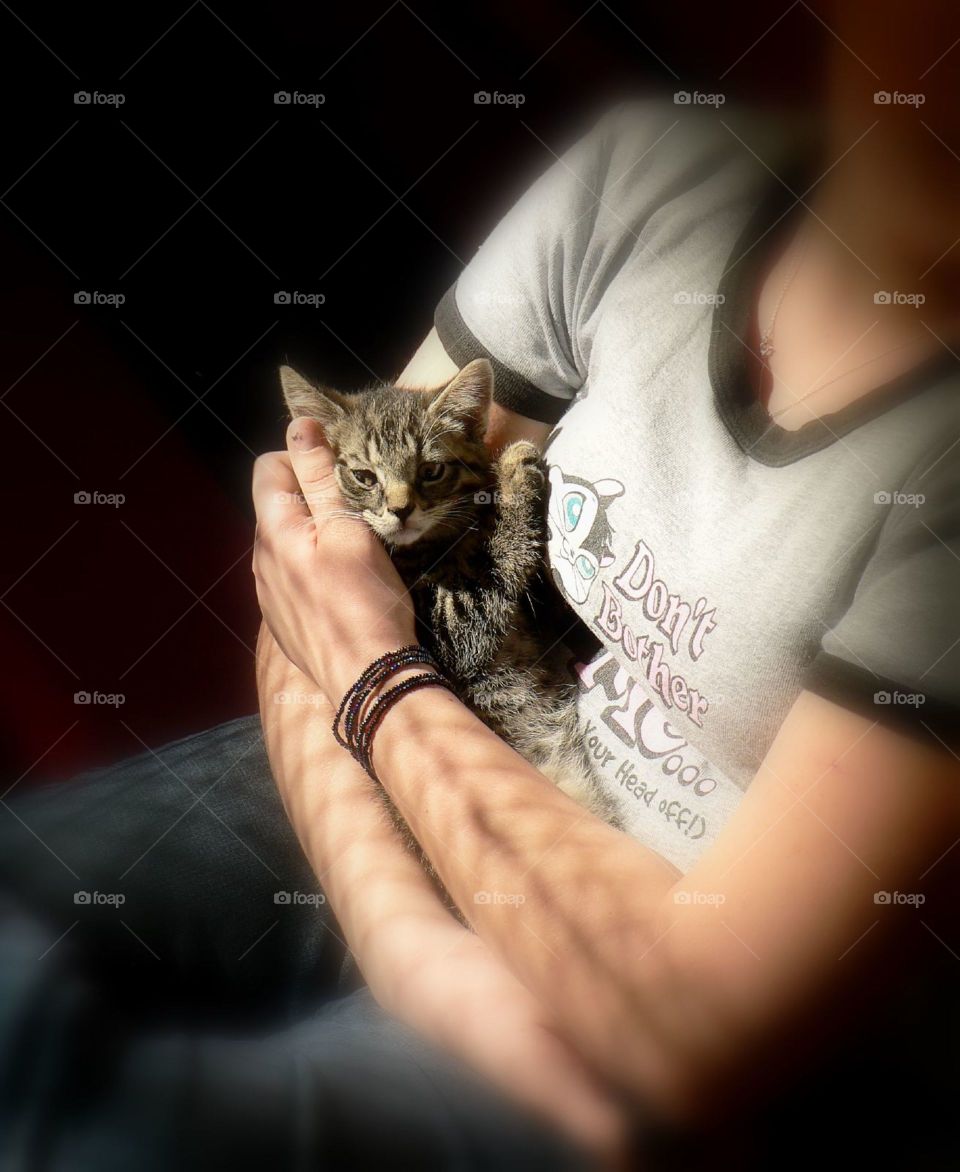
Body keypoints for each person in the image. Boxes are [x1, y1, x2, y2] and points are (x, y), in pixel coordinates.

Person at [2, 3, 958, 1168]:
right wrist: (412, 943)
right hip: (397, 749)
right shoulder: (651, 176)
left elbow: (685, 1024)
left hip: (596, 945)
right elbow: (309, 588)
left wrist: (372, 669)